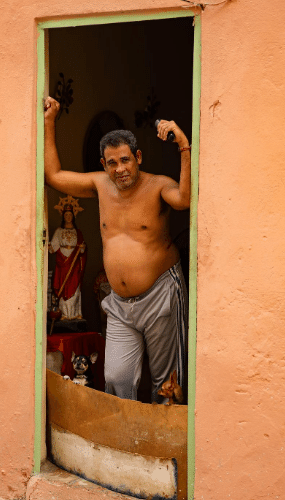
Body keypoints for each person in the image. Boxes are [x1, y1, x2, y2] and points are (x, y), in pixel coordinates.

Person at [44, 96, 191, 403]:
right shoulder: (100, 184)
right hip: (120, 304)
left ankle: (163, 449)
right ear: (103, 165)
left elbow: (185, 200)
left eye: (126, 160)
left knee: (166, 383)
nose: (120, 169)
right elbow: (54, 176)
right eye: (112, 163)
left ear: (137, 157)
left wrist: (184, 147)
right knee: (115, 376)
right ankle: (129, 444)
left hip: (161, 294)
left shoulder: (159, 185)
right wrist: (49, 121)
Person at [48, 203, 87, 320]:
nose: (68, 217)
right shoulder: (59, 231)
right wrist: (47, 245)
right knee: (63, 287)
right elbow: (53, 248)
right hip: (62, 262)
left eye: (70, 215)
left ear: (73, 216)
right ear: (63, 216)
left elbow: (82, 248)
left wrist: (82, 248)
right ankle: (64, 314)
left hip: (74, 262)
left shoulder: (77, 232)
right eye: (66, 215)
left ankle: (75, 313)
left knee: (75, 287)